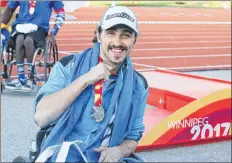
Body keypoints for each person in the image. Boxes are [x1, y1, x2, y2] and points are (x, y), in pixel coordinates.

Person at [34, 6, 148, 163]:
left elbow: (133, 137)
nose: (117, 42)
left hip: (106, 158)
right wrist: (84, 80)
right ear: (99, 35)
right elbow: (42, 117)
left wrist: (119, 151)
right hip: (65, 152)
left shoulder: (138, 85)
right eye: (111, 33)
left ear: (134, 39)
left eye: (126, 35)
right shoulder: (68, 66)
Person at [1, 1, 65, 91]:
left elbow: (61, 13)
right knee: (19, 41)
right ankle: (21, 78)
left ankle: (31, 77)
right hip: (20, 25)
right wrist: (2, 26)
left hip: (39, 27)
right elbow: (9, 9)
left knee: (28, 41)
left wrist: (54, 32)